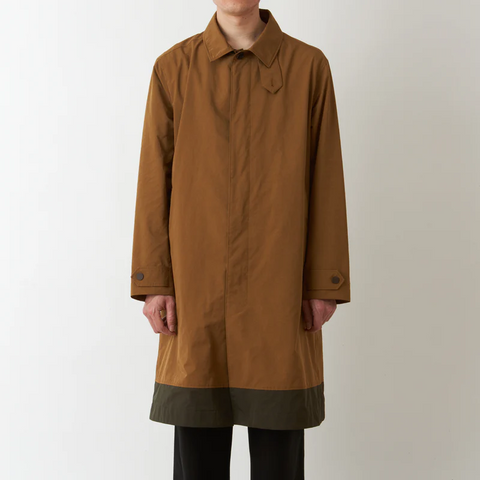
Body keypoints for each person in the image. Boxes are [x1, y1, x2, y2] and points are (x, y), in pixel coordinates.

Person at [130, 1, 351, 478]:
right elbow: (153, 181)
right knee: (198, 437)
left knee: (277, 444)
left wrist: (324, 282)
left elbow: (326, 179)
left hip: (281, 286)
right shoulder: (174, 68)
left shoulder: (308, 67)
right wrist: (154, 282)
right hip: (196, 288)